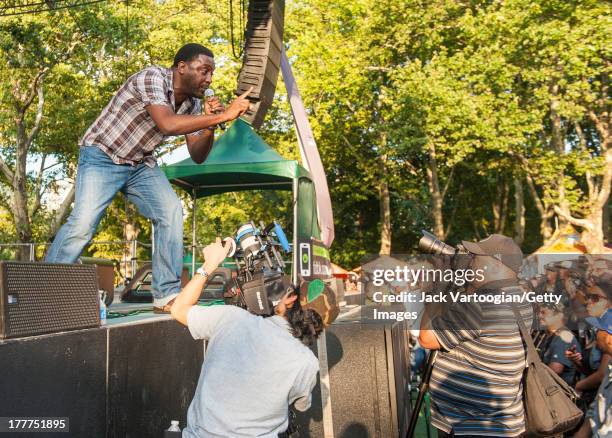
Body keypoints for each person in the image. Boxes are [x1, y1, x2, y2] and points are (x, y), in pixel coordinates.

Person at [45, 43, 252, 313]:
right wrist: (224, 115)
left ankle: (165, 296)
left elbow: (198, 154)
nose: (209, 79)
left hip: (140, 163)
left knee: (170, 210)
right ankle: (44, 290)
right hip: (103, 155)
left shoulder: (193, 103)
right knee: (83, 224)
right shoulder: (152, 77)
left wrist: (212, 121)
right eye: (204, 71)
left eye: (211, 73)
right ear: (181, 67)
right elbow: (167, 123)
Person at [170, 238, 337, 437]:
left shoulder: (232, 318)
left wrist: (209, 265)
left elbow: (178, 309)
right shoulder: (307, 363)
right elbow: (301, 405)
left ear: (291, 299)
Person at [419, 234, 533, 437]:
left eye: (475, 256)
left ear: (496, 264)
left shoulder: (482, 305)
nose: (469, 259)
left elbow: (426, 338)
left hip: (471, 424)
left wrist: (435, 289)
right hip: (499, 420)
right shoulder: (519, 296)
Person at [539, 301, 582, 386]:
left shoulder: (563, 337)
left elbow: (555, 370)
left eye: (544, 312)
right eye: (539, 312)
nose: (539, 316)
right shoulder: (552, 336)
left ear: (560, 315)